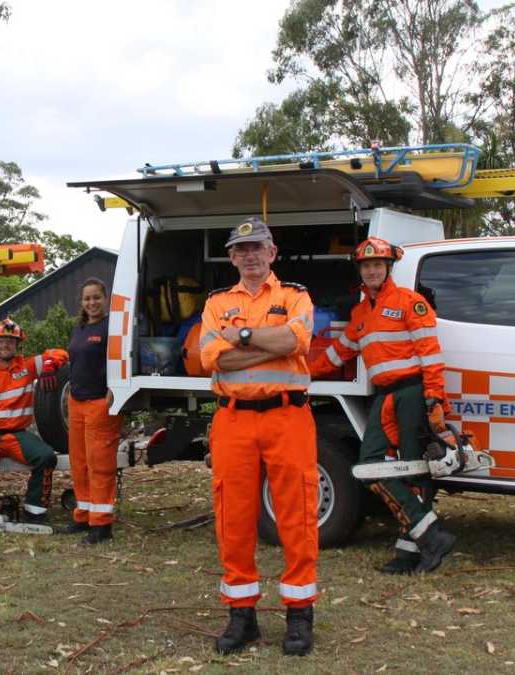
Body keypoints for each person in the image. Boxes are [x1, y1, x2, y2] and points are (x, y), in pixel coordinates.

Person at [199, 216, 319, 657]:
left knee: (298, 514)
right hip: (233, 421)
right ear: (232, 257)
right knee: (233, 517)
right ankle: (241, 615)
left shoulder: (295, 295)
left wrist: (242, 337)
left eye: (258, 248)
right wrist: (268, 342)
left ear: (273, 253)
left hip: (288, 418)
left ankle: (300, 615)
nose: (250, 256)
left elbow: (296, 341)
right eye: (241, 249)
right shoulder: (216, 303)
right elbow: (212, 358)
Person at [309, 236, 456, 575]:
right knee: (370, 464)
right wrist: (302, 372)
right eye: (367, 265)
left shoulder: (410, 302)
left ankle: (410, 553)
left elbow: (431, 355)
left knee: (415, 471)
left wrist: (434, 397)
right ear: (360, 271)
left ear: (388, 268)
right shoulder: (360, 314)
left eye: (378, 265)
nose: (373, 270)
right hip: (385, 396)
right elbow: (339, 353)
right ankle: (430, 535)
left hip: (412, 393)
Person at [0, 318, 68, 535]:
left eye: (10, 340)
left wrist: (48, 365)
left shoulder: (26, 366)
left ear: (17, 344)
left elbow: (60, 352)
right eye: (1, 340)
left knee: (46, 457)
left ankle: (35, 511)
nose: (5, 344)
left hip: (17, 435)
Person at [65, 277, 123, 545]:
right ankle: (83, 515)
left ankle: (101, 526)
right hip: (76, 403)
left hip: (101, 403)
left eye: (96, 297)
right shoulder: (79, 327)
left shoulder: (112, 326)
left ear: (105, 298)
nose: (92, 303)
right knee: (80, 463)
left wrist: (117, 388)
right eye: (87, 298)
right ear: (82, 302)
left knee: (99, 464)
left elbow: (123, 357)